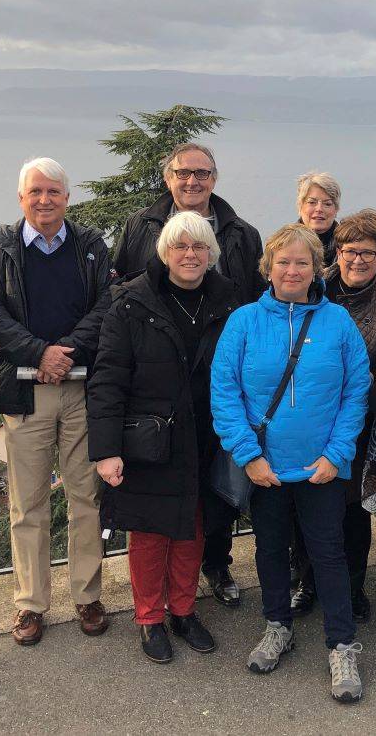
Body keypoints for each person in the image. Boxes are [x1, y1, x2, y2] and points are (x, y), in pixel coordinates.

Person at [211, 223, 372, 703]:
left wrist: (337, 454)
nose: (292, 270)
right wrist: (249, 456)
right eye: (283, 261)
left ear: (317, 269)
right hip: (266, 468)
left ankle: (342, 644)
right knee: (270, 550)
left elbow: (356, 390)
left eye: (303, 262)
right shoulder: (243, 321)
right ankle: (277, 625)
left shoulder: (338, 322)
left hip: (322, 467)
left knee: (328, 554)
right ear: (268, 268)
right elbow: (225, 393)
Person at [110, 141, 263, 606]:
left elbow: (254, 304)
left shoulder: (241, 232)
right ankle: (156, 605)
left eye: (202, 173)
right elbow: (121, 288)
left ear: (214, 179)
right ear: (168, 178)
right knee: (160, 507)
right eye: (183, 173)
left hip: (216, 392)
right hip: (156, 395)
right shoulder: (141, 224)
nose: (192, 181)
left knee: (214, 496)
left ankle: (214, 571)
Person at [86, 212, 240, 664]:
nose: (190, 255)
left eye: (199, 247)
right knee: (151, 532)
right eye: (180, 247)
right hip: (151, 440)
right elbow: (108, 379)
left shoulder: (229, 301)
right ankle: (150, 618)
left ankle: (184, 611)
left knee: (194, 529)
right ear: (164, 252)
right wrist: (106, 450)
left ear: (211, 253)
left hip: (209, 436)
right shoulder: (131, 302)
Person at [0, 158, 114, 646]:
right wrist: (40, 354)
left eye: (54, 192)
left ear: (67, 198)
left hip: (81, 391)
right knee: (26, 503)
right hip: (24, 393)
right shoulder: (0, 250)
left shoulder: (91, 247)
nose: (45, 200)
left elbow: (107, 307)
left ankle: (87, 596)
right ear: (20, 198)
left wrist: (65, 351)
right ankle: (31, 605)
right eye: (36, 192)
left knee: (85, 497)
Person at [289, 210, 376, 623]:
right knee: (304, 504)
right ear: (336, 251)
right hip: (306, 418)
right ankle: (307, 581)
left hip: (357, 425)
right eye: (350, 250)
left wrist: (372, 376)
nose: (357, 260)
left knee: (352, 511)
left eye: (368, 252)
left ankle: (354, 586)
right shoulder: (312, 290)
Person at [296, 170, 342, 262]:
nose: (319, 209)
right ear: (300, 207)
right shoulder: (284, 243)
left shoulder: (349, 246)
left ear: (336, 209)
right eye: (312, 202)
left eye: (327, 204)